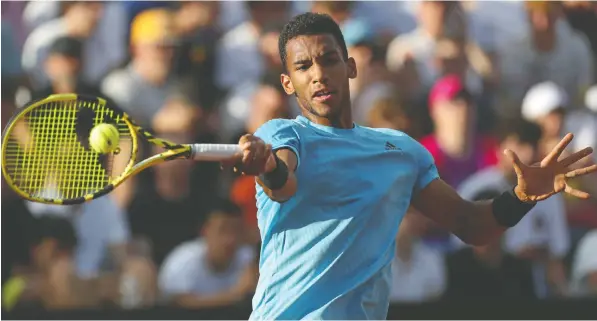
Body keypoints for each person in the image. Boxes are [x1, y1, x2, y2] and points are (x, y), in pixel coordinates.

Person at [227, 12, 597, 320]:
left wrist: (521, 197)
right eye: (303, 66)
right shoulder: (281, 133)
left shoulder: (401, 151)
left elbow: (471, 225)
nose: (318, 74)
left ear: (351, 66)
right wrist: (268, 167)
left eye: (328, 59)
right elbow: (283, 183)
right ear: (288, 83)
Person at [457, 119, 570, 298]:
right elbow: (461, 247)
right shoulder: (474, 188)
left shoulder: (550, 195)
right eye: (521, 144)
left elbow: (556, 258)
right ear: (499, 147)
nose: (529, 153)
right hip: (478, 291)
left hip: (533, 294)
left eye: (533, 144)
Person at [158, 200, 256, 308]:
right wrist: (235, 295)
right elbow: (179, 305)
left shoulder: (248, 259)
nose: (230, 239)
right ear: (205, 231)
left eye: (236, 230)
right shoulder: (183, 262)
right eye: (222, 230)